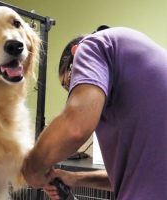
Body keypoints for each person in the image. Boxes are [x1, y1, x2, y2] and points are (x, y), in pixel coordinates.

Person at [21, 26, 167, 200]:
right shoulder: (139, 62)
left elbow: (74, 129)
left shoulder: (94, 45)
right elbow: (133, 178)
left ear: (76, 54)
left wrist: (31, 167)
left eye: (70, 82)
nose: (73, 91)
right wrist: (74, 179)